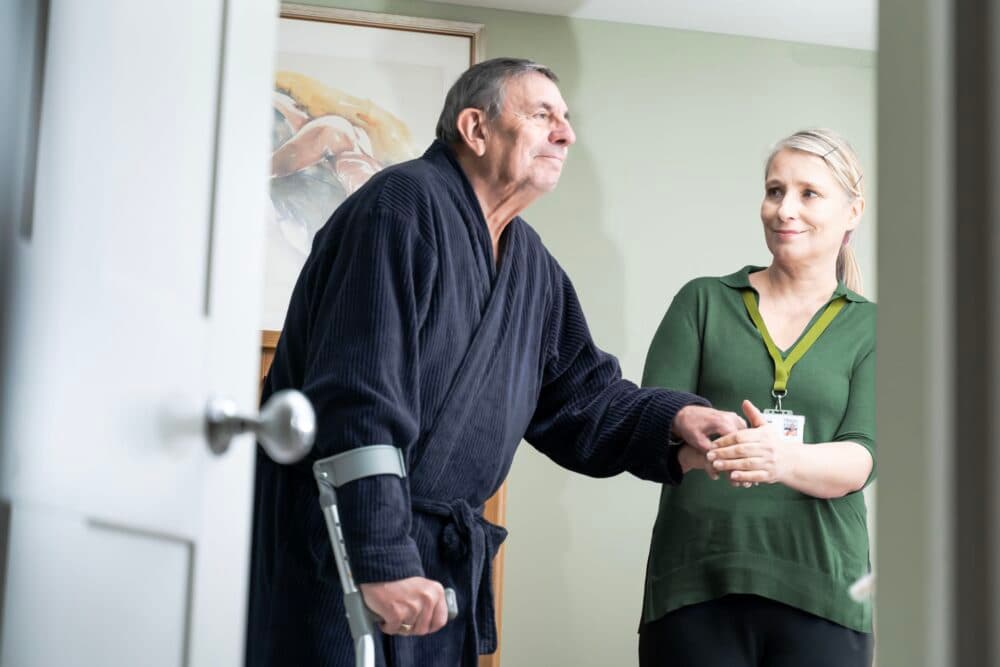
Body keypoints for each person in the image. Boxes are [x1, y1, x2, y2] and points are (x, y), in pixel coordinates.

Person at [246, 57, 745, 667]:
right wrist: (379, 558)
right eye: (543, 115)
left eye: (566, 118)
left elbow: (583, 399)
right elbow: (357, 396)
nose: (566, 133)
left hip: (434, 565)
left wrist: (674, 425)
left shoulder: (531, 265)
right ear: (476, 129)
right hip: (343, 541)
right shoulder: (397, 207)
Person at [637, 129, 876, 666]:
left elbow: (861, 458)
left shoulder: (873, 327)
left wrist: (780, 459)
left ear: (852, 211)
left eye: (809, 193)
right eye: (774, 191)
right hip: (695, 583)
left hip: (824, 592)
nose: (784, 209)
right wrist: (702, 444)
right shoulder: (702, 302)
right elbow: (650, 425)